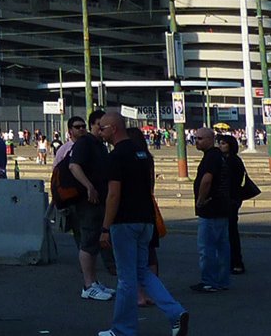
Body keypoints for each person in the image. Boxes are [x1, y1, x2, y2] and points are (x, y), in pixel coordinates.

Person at [98, 111, 186, 336]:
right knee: (143, 271)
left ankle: (122, 329)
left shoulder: (116, 156)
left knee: (126, 278)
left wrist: (106, 227)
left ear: (113, 129)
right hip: (145, 219)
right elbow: (148, 188)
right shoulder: (143, 154)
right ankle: (175, 312)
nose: (100, 132)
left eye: (103, 128)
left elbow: (113, 194)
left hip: (124, 221)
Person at [65, 113, 114, 301]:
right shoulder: (85, 143)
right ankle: (88, 284)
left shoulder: (99, 145)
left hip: (98, 199)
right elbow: (73, 166)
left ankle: (93, 281)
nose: (102, 130)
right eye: (101, 126)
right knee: (88, 240)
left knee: (93, 241)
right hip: (88, 201)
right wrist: (89, 186)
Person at [189, 127, 232, 293]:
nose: (196, 141)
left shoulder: (211, 157)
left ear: (209, 139)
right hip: (221, 207)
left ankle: (209, 281)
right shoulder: (219, 156)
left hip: (211, 208)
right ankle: (222, 280)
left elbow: (207, 180)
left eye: (199, 138)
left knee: (206, 248)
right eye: (195, 138)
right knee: (222, 247)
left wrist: (200, 199)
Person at [216, 133, 249, 274]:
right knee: (225, 232)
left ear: (230, 145)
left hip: (231, 199)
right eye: (220, 143)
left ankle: (237, 262)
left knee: (231, 232)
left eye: (223, 143)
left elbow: (234, 181)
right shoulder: (222, 159)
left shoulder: (234, 161)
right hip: (226, 199)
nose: (220, 146)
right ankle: (228, 261)